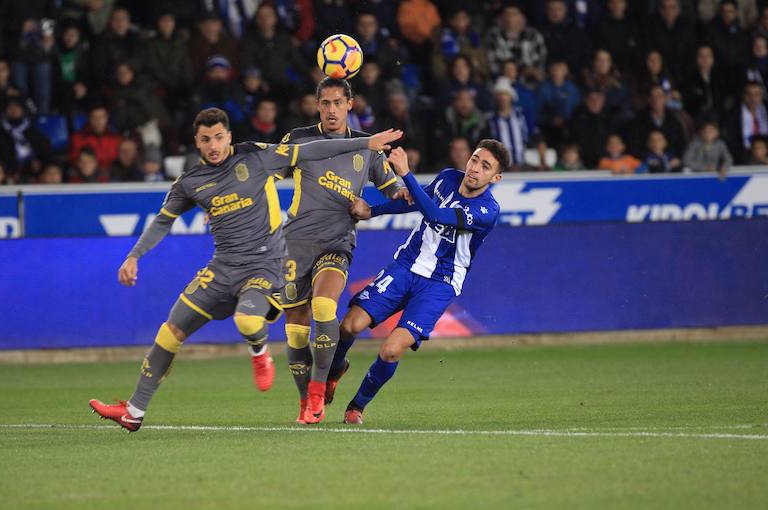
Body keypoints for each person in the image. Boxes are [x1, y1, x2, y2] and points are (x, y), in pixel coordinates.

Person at [89, 108, 403, 431]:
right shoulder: (190, 183)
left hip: (264, 265)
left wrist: (365, 143)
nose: (214, 145)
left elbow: (311, 149)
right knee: (170, 330)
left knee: (249, 319)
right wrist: (134, 256)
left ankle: (262, 352)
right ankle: (135, 410)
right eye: (206, 140)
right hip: (222, 268)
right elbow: (162, 221)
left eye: (219, 137)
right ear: (196, 143)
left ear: (229, 137)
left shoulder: (256, 157)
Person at [323, 141, 507, 424]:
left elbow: (436, 214)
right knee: (349, 326)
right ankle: (336, 368)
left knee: (391, 350)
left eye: (485, 167)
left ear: (495, 178)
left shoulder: (487, 210)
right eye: (474, 160)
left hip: (440, 284)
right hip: (406, 266)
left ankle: (356, 407)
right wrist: (373, 210)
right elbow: (412, 200)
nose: (475, 169)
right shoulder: (447, 178)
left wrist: (406, 173)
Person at [277, 77, 409, 425]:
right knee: (295, 333)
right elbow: (267, 174)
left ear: (350, 104)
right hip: (296, 244)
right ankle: (306, 398)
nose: (332, 109)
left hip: (337, 242)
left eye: (338, 102)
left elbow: (394, 192)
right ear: (316, 105)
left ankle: (318, 392)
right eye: (325, 103)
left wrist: (405, 188)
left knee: (324, 306)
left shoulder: (369, 148)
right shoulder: (298, 138)